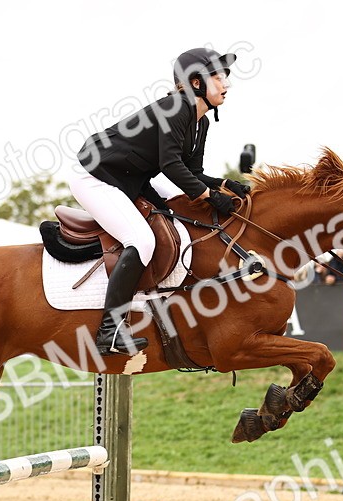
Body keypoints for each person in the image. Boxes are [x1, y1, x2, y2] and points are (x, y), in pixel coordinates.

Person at [71, 47, 249, 355]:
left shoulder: (200, 122)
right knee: (140, 240)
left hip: (129, 180)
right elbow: (170, 165)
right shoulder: (177, 107)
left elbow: (193, 172)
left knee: (180, 212)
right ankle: (109, 331)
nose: (225, 84)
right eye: (218, 77)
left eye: (225, 77)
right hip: (94, 177)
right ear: (196, 83)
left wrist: (223, 184)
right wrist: (210, 196)